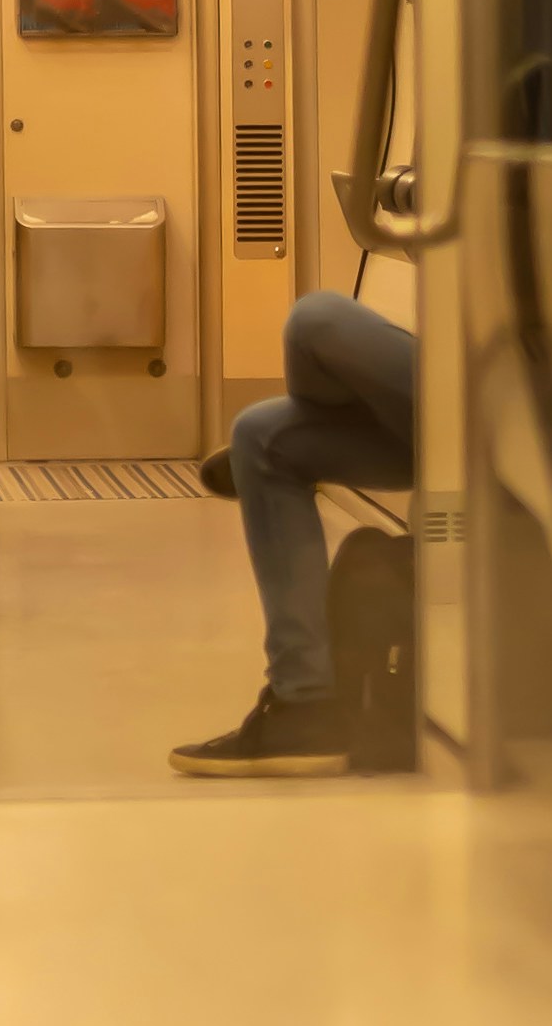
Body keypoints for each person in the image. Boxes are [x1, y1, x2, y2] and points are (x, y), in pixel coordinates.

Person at [170, 289, 418, 776]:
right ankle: (305, 707)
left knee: (315, 319)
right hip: (461, 375)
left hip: (508, 379)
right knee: (258, 433)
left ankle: (343, 420)